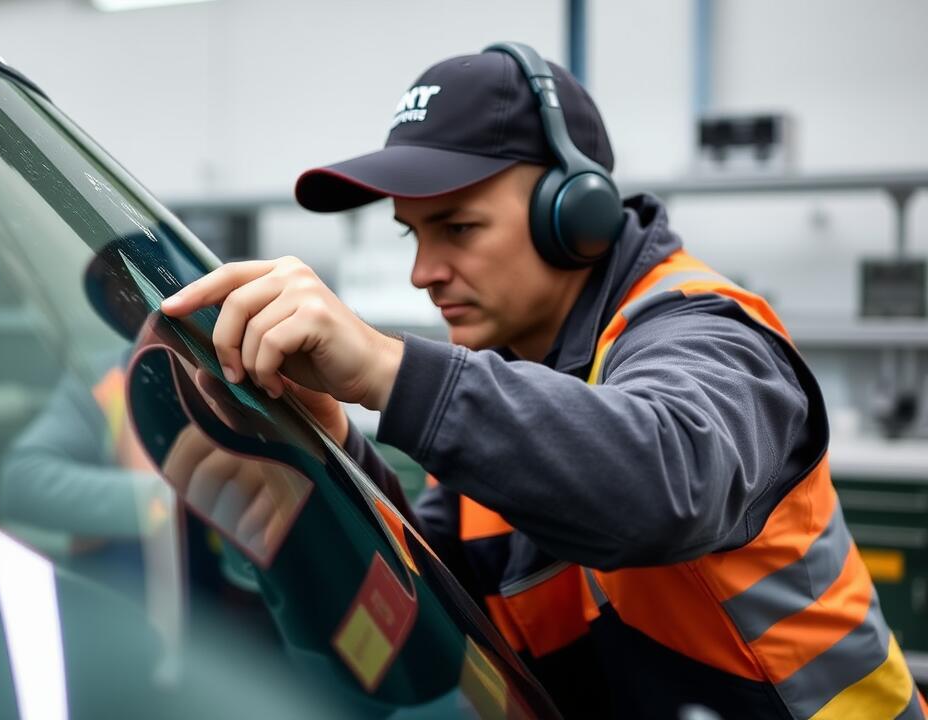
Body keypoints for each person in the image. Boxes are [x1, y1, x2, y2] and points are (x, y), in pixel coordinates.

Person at [160, 43, 928, 719]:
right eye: (414, 234)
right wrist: (331, 473)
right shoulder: (505, 399)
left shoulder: (705, 329)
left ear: (575, 215)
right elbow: (425, 650)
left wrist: (387, 369)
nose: (423, 272)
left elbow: (669, 484)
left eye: (458, 228)